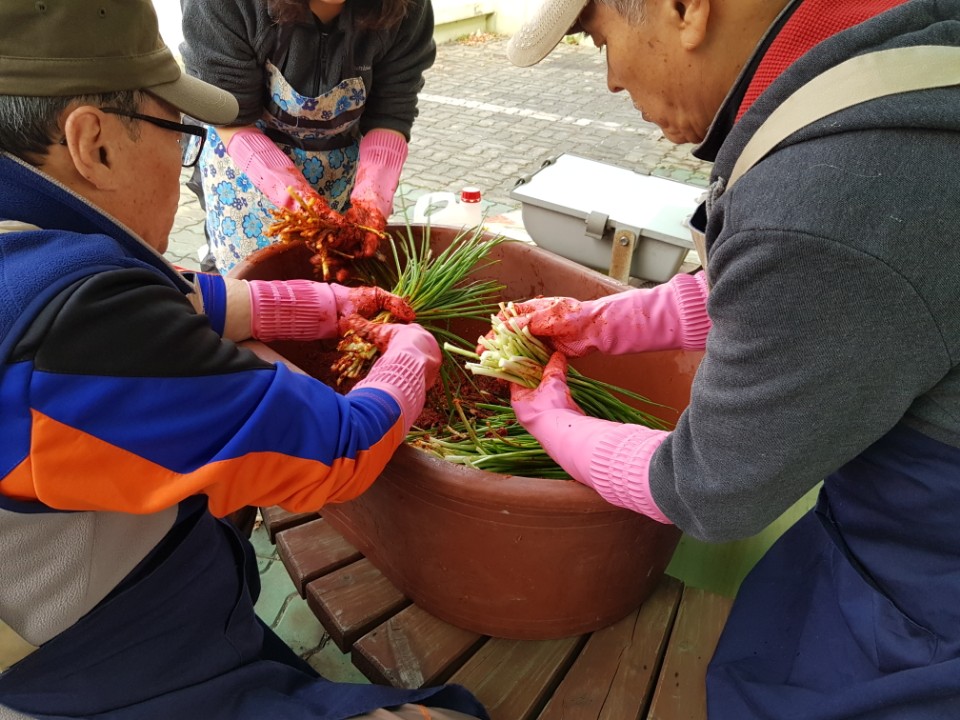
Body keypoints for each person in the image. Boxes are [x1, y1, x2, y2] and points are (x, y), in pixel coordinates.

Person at [0, 3, 488, 719]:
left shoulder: (33, 245)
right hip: (86, 670)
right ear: (93, 143)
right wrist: (412, 355)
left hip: (123, 586)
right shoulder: (80, 329)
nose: (183, 161)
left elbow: (170, 295)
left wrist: (320, 306)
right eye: (180, 134)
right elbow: (335, 448)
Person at [501, 0, 960, 717]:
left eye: (599, 42)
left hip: (933, 586)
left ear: (685, 10)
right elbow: (786, 296)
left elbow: (709, 488)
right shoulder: (875, 67)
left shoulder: (830, 191)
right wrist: (597, 323)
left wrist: (547, 411)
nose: (614, 82)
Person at [179, 0, 435, 274]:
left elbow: (391, 110)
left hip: (339, 166)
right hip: (240, 157)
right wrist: (296, 199)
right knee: (241, 283)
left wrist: (373, 196)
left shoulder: (407, 8)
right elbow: (230, 114)